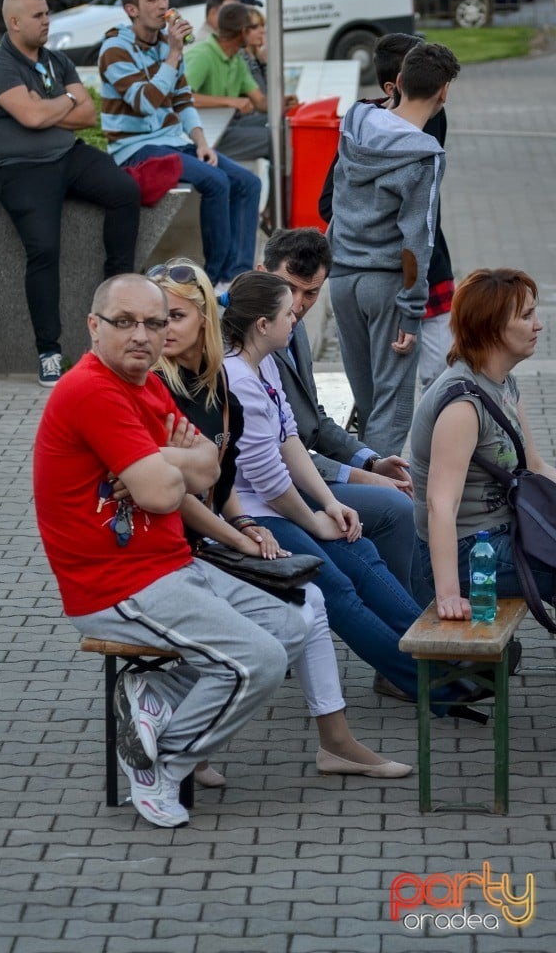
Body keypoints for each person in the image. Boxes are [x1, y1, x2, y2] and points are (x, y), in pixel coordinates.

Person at [33, 272, 311, 828]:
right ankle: (165, 762)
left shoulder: (149, 385)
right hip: (115, 584)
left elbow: (208, 468)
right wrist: (169, 464)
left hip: (170, 565)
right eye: (125, 322)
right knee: (260, 660)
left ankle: (154, 697)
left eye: (154, 324)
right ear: (94, 326)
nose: (142, 335)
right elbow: (164, 492)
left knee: (293, 626)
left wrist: (159, 460)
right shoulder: (90, 389)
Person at [150, 257, 412, 779]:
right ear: (261, 324)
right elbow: (190, 491)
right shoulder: (180, 385)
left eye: (172, 318)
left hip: (235, 523)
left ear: (205, 320)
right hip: (181, 549)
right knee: (321, 589)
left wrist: (322, 507)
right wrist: (245, 532)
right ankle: (429, 676)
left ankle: (428, 659)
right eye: (155, 319)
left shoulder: (218, 379)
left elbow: (229, 473)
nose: (159, 331)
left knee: (351, 559)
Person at [220, 270, 478, 713]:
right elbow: (267, 480)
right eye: (288, 313)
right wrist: (315, 519)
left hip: (279, 506)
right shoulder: (238, 379)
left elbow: (291, 442)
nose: (296, 320)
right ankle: (429, 684)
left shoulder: (262, 363)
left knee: (364, 557)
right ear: (262, 325)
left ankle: (443, 653)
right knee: (334, 587)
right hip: (254, 516)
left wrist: (331, 503)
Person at [0, 0, 141, 388]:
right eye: (38, 15)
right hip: (18, 170)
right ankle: (49, 351)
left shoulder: (56, 59)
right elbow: (32, 116)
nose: (47, 21)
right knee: (44, 248)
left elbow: (86, 113)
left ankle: (117, 303)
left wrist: (54, 104)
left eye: (48, 13)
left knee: (125, 191)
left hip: (67, 157)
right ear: (14, 23)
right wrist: (61, 103)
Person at [263, 227, 424, 607]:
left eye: (311, 293)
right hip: (276, 489)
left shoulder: (292, 327)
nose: (299, 304)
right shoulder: (244, 337)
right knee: (397, 506)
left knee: (408, 491)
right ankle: (409, 627)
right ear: (261, 272)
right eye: (289, 288)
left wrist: (370, 460)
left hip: (302, 473)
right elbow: (277, 451)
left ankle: (426, 619)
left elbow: (313, 419)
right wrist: (361, 476)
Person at [329, 42, 460, 455]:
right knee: (392, 408)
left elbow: (334, 195)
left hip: (341, 280)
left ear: (398, 83)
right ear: (444, 92)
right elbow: (417, 239)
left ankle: (361, 496)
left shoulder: (356, 118)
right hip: (386, 288)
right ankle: (383, 504)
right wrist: (412, 308)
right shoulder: (425, 155)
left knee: (366, 401)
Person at [410, 267, 556, 622]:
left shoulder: (501, 382)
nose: (538, 325)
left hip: (505, 531)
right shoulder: (462, 405)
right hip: (467, 553)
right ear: (491, 328)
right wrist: (447, 595)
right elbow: (440, 504)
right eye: (526, 316)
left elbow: (535, 465)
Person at [98, 0, 260, 290]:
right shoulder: (114, 50)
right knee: (216, 181)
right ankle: (212, 282)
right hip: (135, 147)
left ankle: (236, 278)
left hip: (173, 140)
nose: (163, 5)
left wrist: (201, 142)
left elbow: (183, 99)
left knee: (248, 183)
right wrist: (173, 53)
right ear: (132, 10)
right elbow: (146, 102)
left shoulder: (164, 44)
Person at [185, 1, 270, 161]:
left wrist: (283, 104)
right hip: (203, 136)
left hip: (228, 125)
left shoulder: (236, 58)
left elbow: (260, 102)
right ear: (244, 32)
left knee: (284, 126)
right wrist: (231, 101)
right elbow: (182, 98)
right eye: (252, 28)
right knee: (274, 139)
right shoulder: (202, 55)